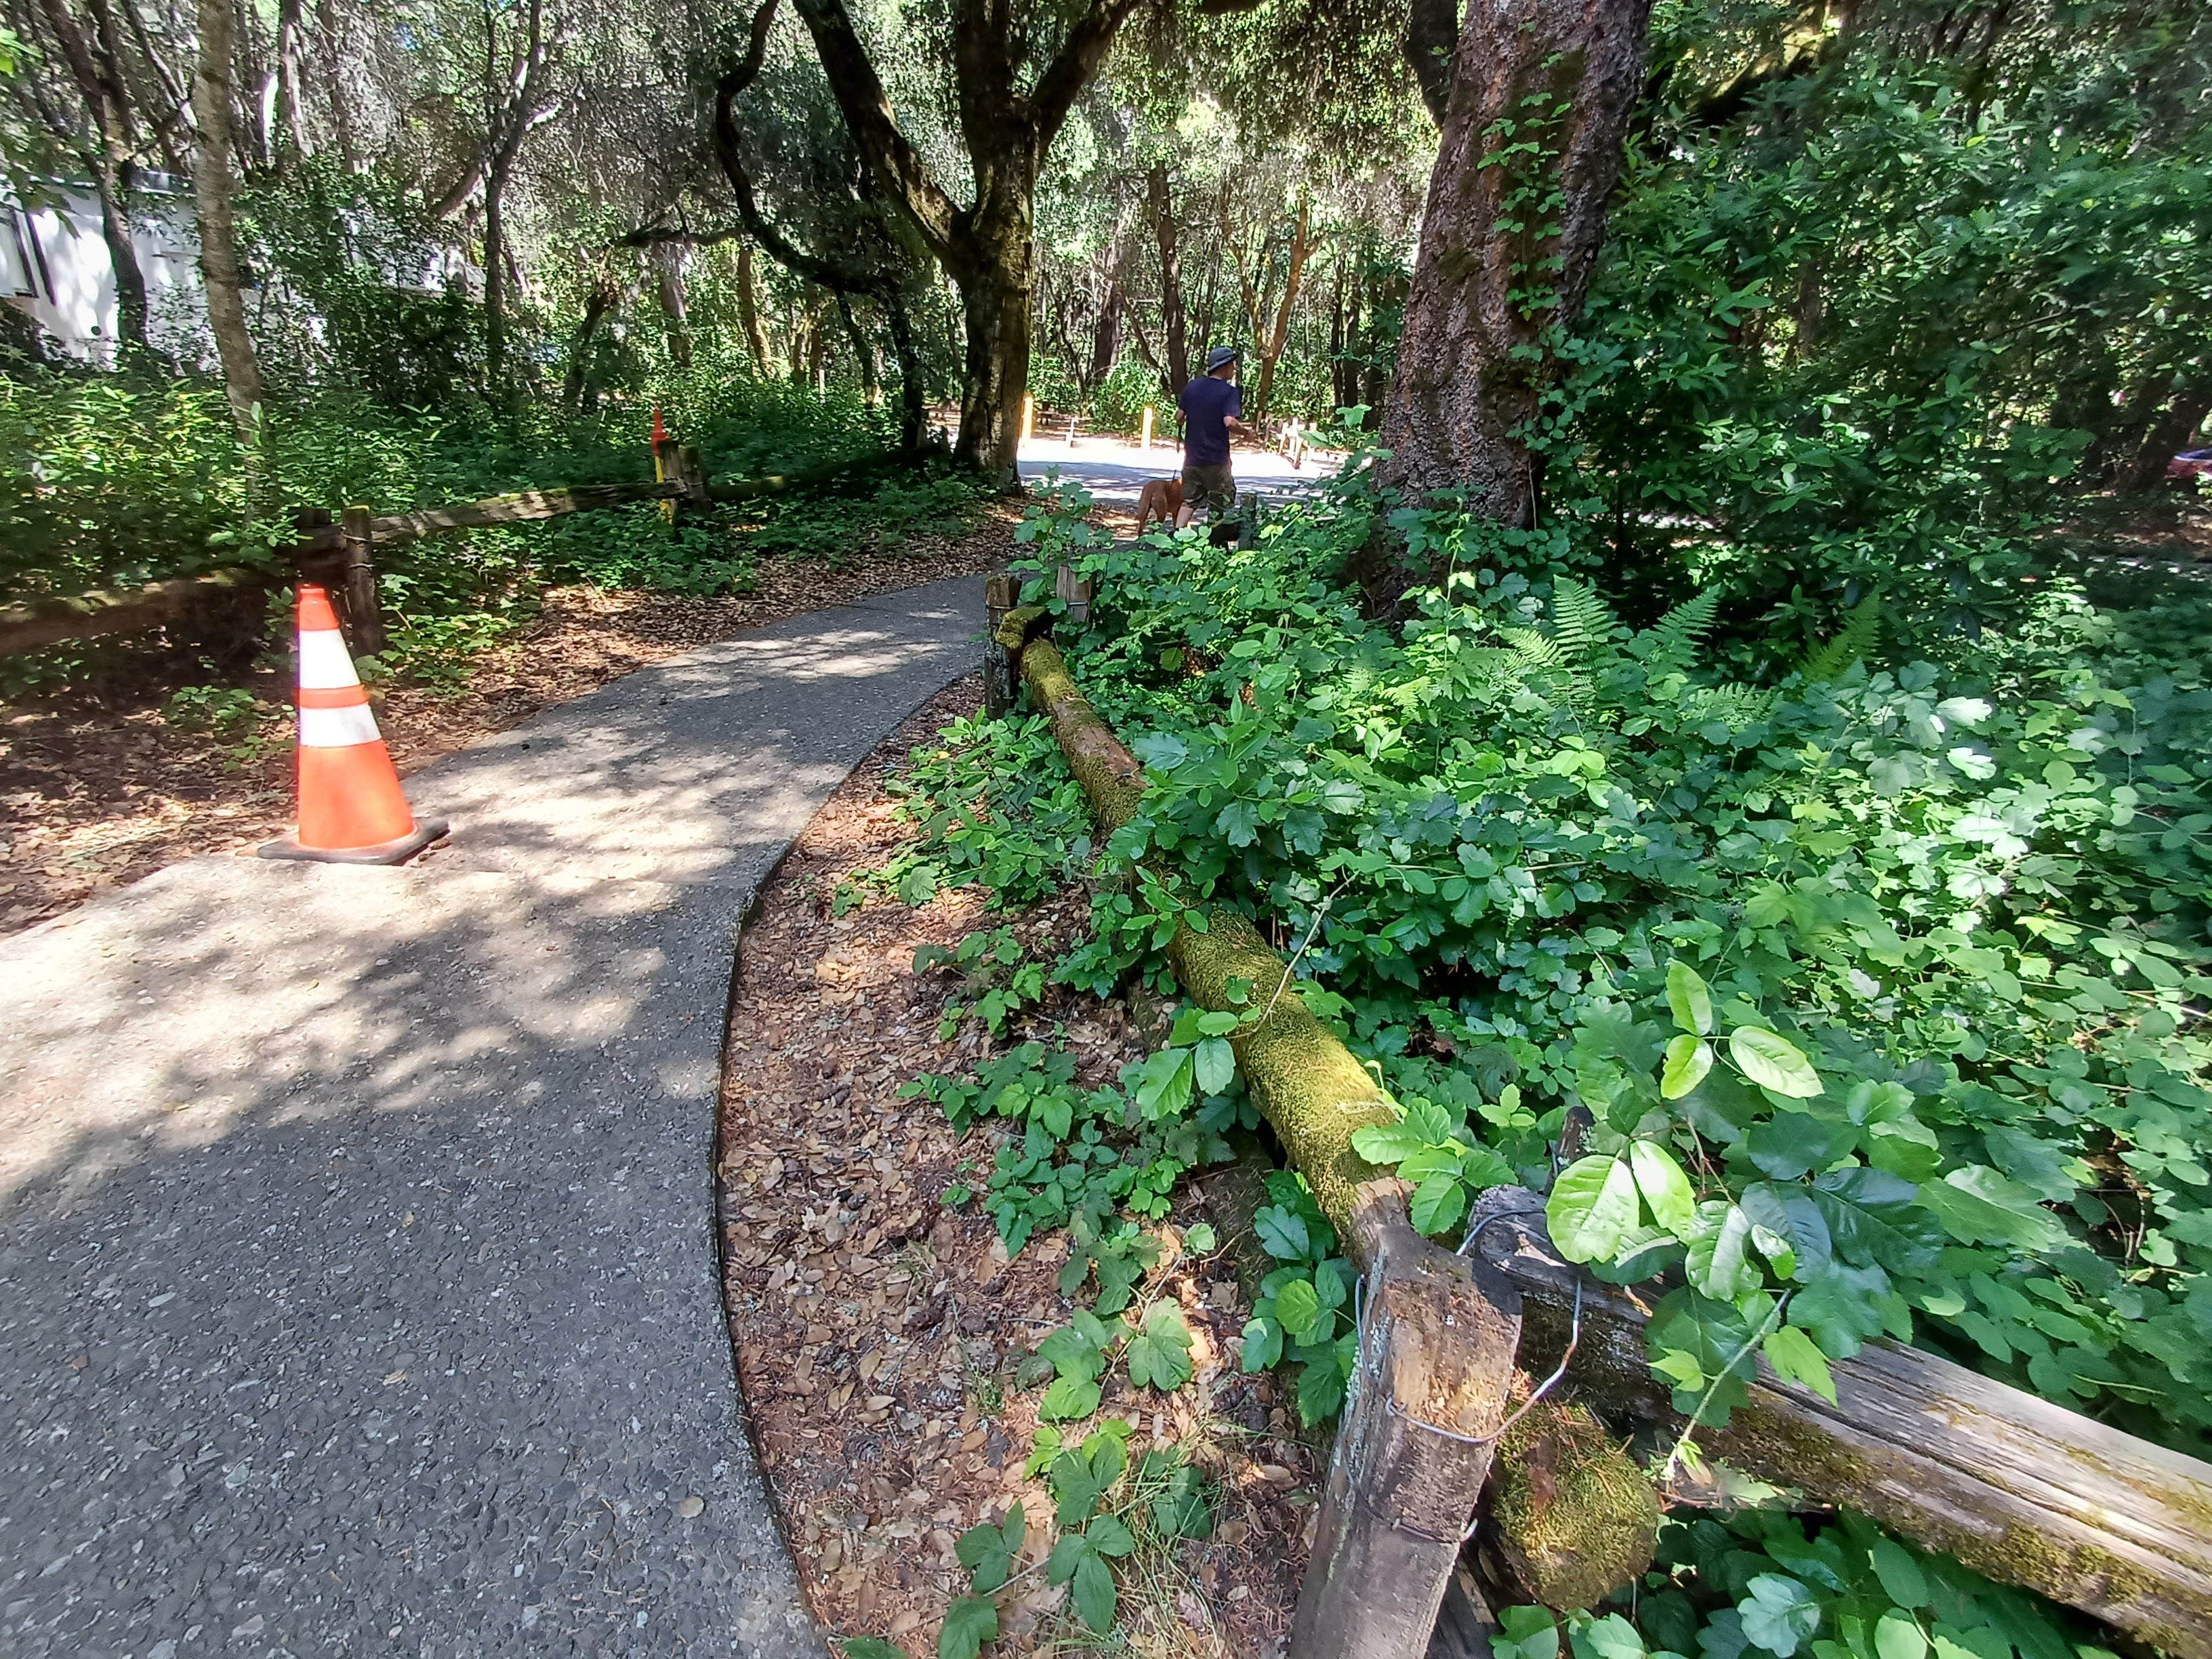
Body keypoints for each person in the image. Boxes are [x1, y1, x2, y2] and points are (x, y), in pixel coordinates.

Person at [1176, 346, 1253, 529]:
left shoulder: (1192, 387)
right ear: (1224, 366)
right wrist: (1247, 433)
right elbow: (1230, 422)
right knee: (1218, 502)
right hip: (1216, 460)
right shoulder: (1229, 392)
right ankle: (1213, 543)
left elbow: (1179, 417)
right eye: (1233, 365)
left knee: (1188, 502)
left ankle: (1175, 540)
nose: (1234, 369)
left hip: (1192, 459)